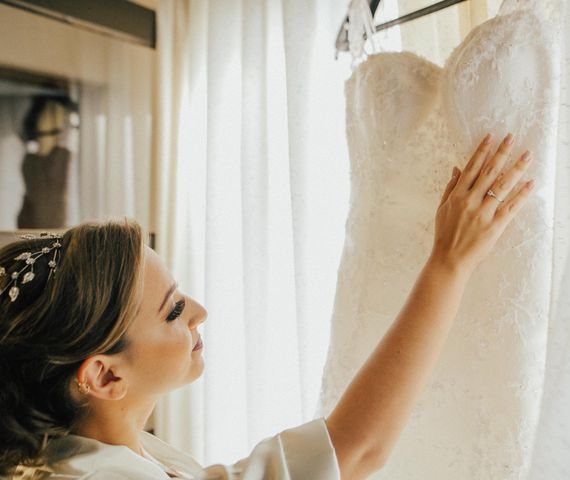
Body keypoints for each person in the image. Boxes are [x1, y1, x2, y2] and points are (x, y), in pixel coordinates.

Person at [0, 131, 534, 479]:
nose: (200, 312)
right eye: (172, 311)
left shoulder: (110, 452)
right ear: (103, 376)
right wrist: (448, 263)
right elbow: (355, 449)